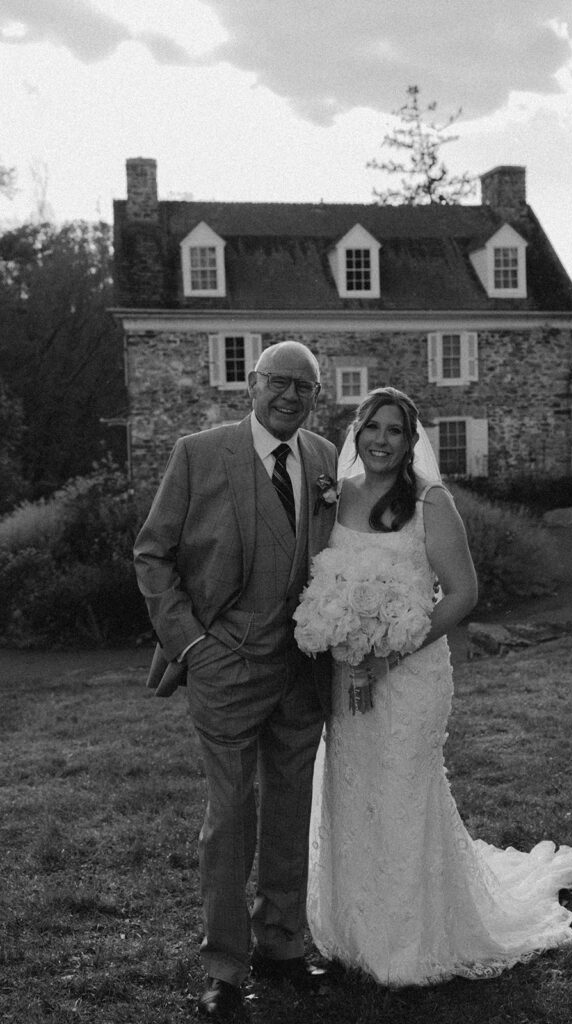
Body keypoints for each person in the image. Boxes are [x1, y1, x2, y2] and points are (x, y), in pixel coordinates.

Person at [307, 386, 572, 987]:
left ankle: (409, 946)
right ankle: (356, 932)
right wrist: (341, 639)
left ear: (411, 443)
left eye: (395, 431)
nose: (382, 439)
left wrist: (388, 650)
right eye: (372, 427)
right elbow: (318, 579)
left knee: (405, 791)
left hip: (411, 676)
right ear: (356, 432)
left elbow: (462, 593)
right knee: (354, 792)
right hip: (343, 676)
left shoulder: (430, 501)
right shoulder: (334, 497)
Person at [134, 341, 338, 1022]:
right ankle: (224, 966)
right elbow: (153, 552)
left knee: (289, 811)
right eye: (277, 382)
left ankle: (281, 944)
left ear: (316, 397)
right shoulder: (200, 453)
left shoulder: (322, 457)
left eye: (303, 387)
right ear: (251, 385)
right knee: (230, 818)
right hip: (224, 662)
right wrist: (189, 641)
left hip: (302, 669)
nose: (289, 396)